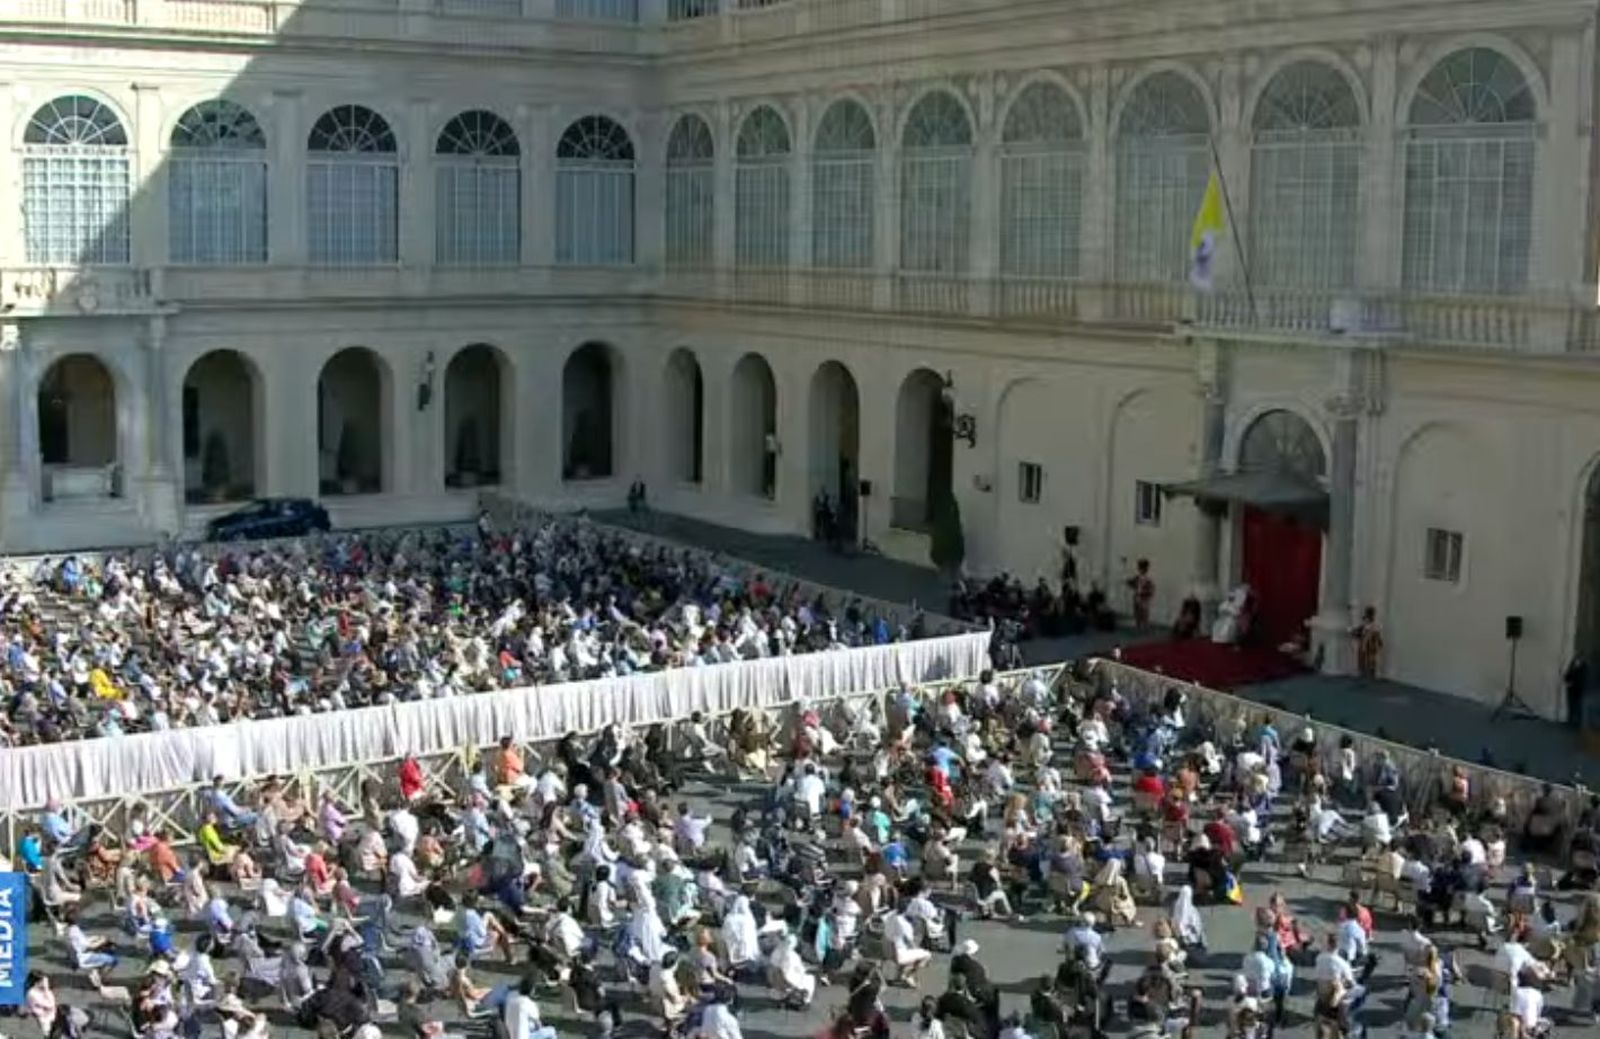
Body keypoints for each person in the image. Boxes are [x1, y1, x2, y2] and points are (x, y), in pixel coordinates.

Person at [1350, 607, 1383, 680]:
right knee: (1364, 658)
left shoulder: (1373, 626)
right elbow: (1358, 632)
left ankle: (1369, 672)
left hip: (1369, 646)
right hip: (1365, 645)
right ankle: (1365, 672)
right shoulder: (1366, 626)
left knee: (1369, 659)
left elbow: (1376, 636)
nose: (1366, 619)